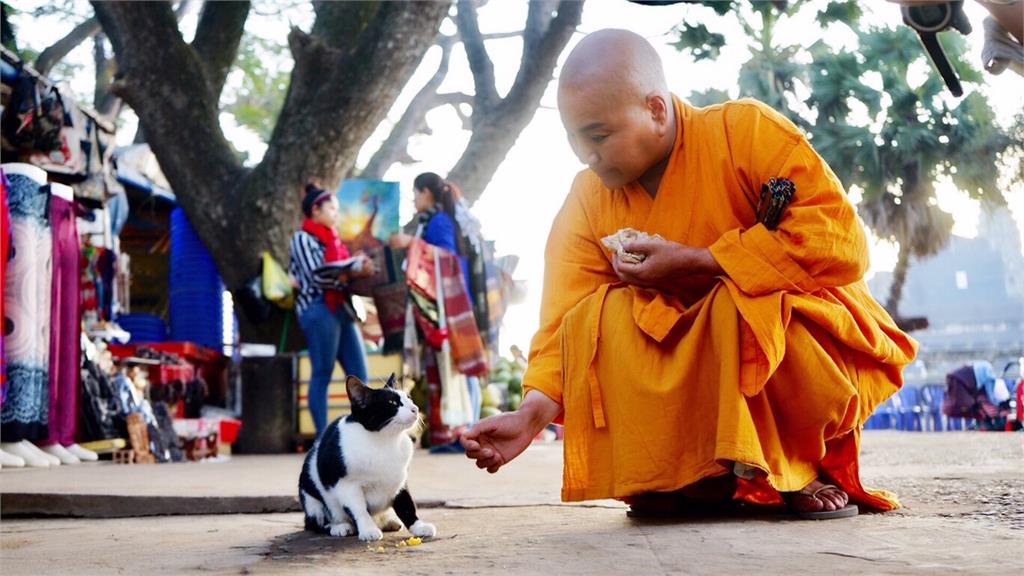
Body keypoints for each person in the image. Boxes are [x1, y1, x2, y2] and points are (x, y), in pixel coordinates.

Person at [460, 29, 918, 519]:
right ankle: (689, 477)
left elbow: (840, 243)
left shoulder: (744, 131)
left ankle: (792, 467)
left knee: (739, 301)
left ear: (656, 110)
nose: (584, 154)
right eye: (573, 137)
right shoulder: (586, 198)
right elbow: (564, 320)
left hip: (788, 343)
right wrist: (531, 415)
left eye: (597, 136)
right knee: (603, 314)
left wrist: (708, 262)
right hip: (683, 370)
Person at [390, 173, 485, 449]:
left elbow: (448, 259)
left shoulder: (439, 220)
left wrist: (411, 244)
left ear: (427, 192)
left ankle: (467, 434)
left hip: (452, 307)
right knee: (456, 370)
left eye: (416, 194)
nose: (414, 199)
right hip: (448, 306)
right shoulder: (435, 219)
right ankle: (462, 434)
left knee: (459, 368)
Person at [290, 182, 374, 437]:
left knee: (359, 375)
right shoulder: (302, 238)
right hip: (318, 308)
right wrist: (351, 270)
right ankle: (321, 435)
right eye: (332, 208)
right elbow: (318, 277)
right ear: (315, 209)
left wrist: (353, 269)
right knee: (322, 372)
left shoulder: (335, 242)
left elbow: (337, 274)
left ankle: (363, 432)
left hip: (342, 308)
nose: (336, 214)